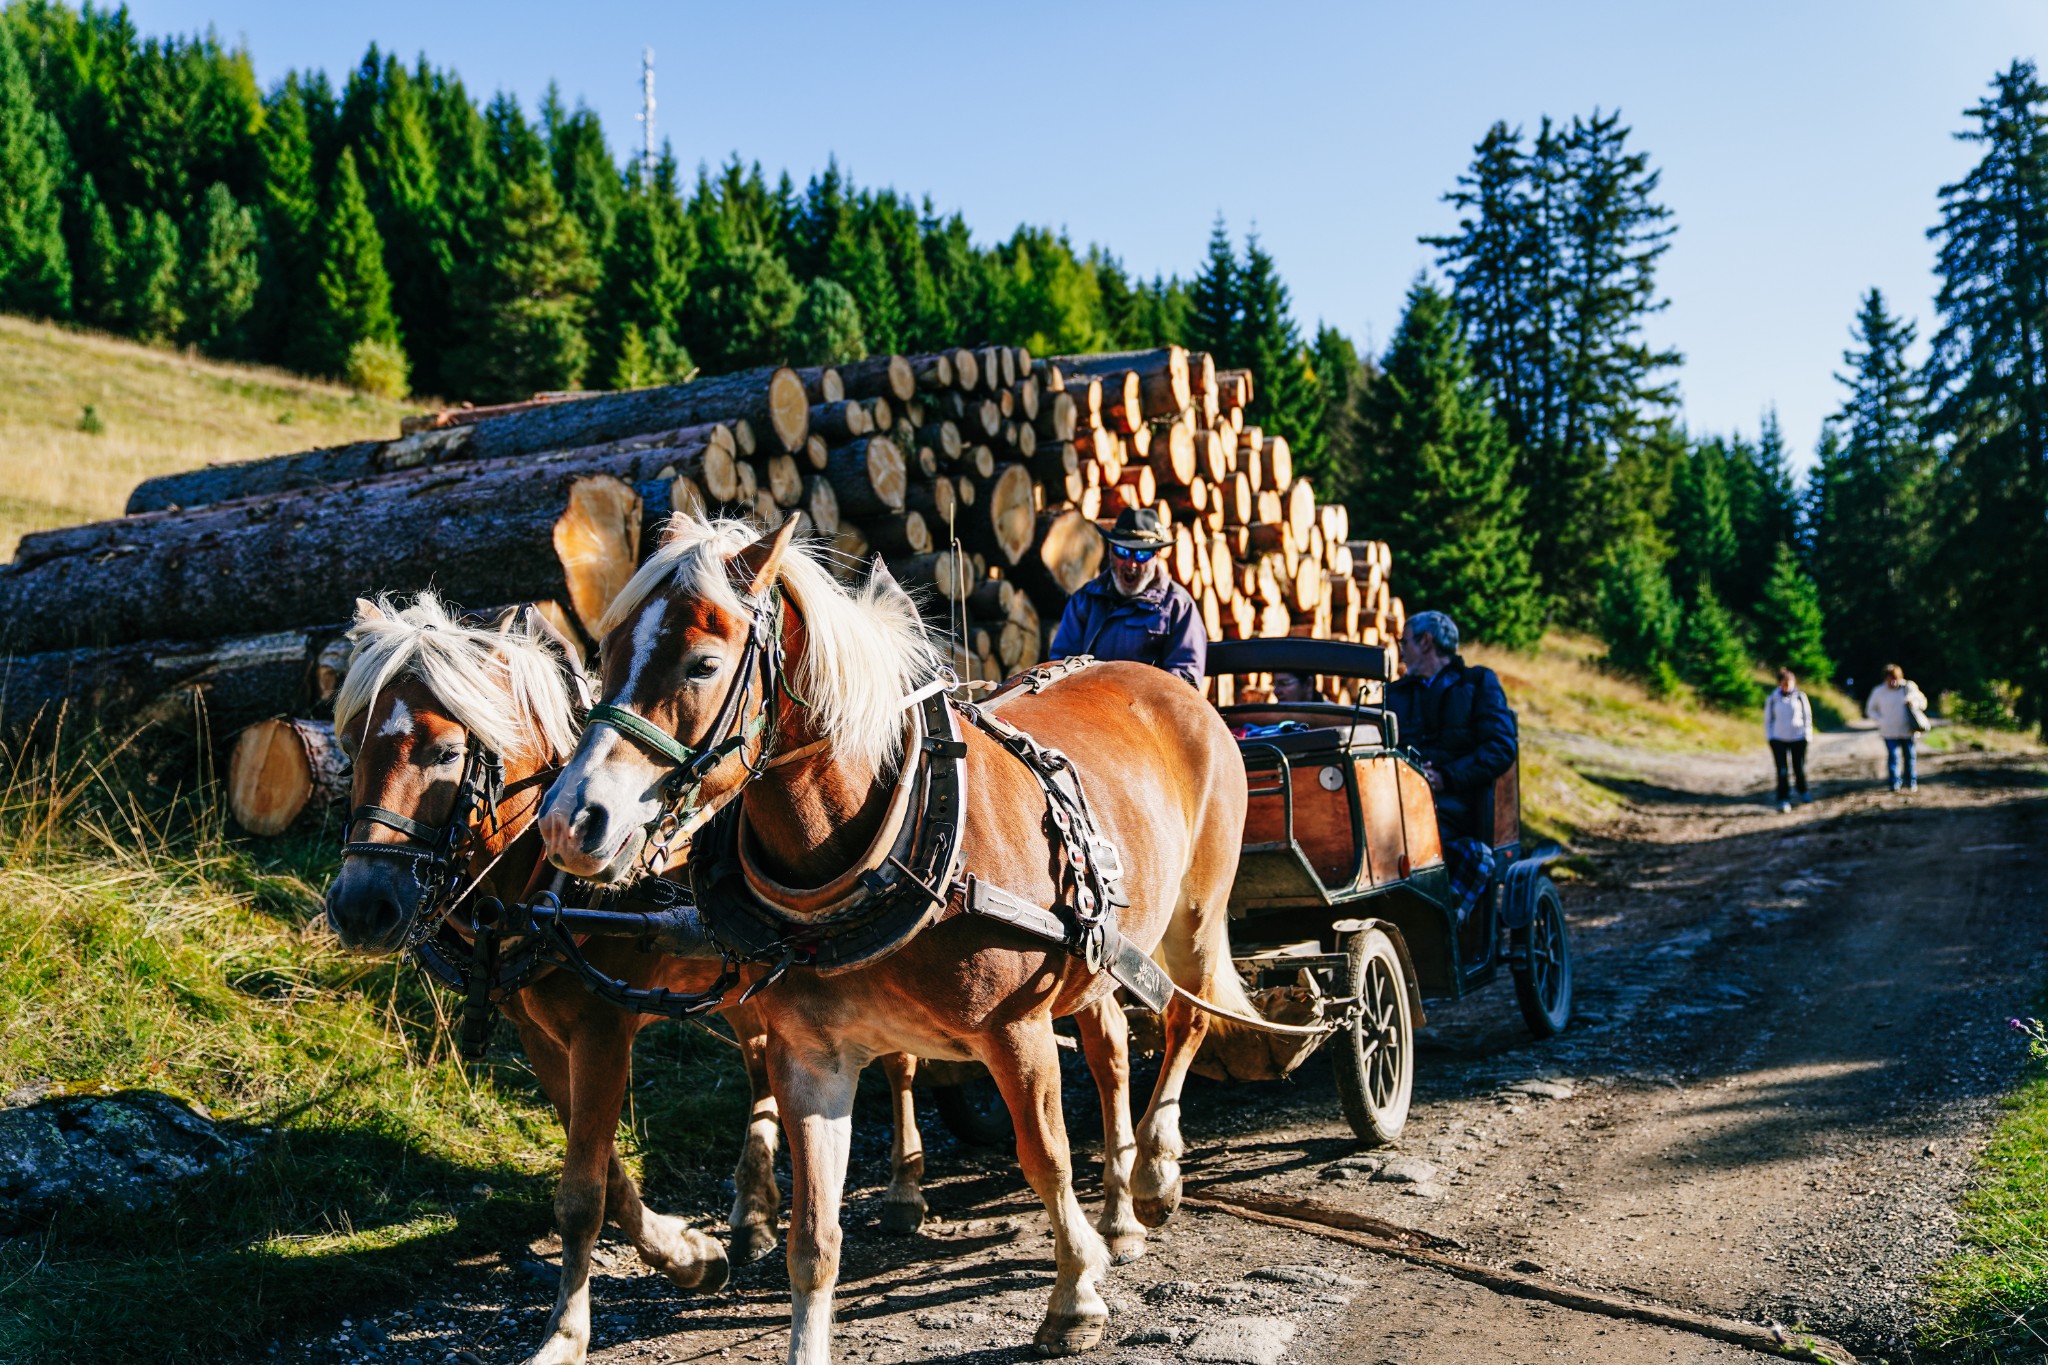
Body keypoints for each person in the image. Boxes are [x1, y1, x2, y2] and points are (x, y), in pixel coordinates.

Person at [1382, 610, 1518, 841]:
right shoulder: (1395, 693)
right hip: (1395, 795)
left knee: (1403, 831)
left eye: (1404, 642)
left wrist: (1446, 777)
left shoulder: (1477, 683)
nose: (1401, 652)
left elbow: (1500, 747)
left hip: (1456, 803)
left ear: (1425, 641)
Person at [1049, 507, 1206, 687]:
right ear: (1110, 550)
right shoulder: (1085, 599)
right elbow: (1059, 666)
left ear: (1157, 555)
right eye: (1122, 551)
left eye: (1142, 554)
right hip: (1089, 703)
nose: (1131, 564)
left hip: (1147, 709)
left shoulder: (1178, 606)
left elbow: (1185, 678)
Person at [1865, 663, 1929, 793]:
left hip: (1908, 730)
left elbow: (1923, 702)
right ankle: (1894, 783)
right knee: (1893, 757)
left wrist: (1914, 703)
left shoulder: (1909, 687)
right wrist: (1881, 720)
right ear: (1885, 678)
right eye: (1890, 678)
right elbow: (1870, 710)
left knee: (1909, 756)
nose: (1893, 681)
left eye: (1895, 678)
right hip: (1889, 731)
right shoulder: (1879, 691)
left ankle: (1911, 782)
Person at [1764, 668, 1813, 813]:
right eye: (1784, 683)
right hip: (1779, 739)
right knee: (1782, 771)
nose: (1787, 686)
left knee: (1799, 767)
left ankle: (1803, 790)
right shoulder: (1772, 699)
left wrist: (1807, 735)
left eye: (1789, 683)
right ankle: (1783, 798)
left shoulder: (1800, 697)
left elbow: (1807, 717)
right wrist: (1770, 737)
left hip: (1798, 738)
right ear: (1779, 684)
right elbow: (1768, 720)